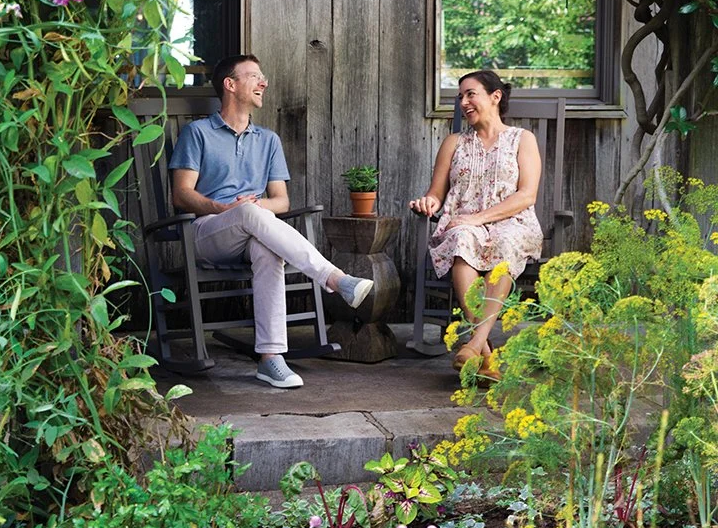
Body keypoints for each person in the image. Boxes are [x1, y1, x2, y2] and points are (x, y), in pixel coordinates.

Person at [169, 54, 373, 389]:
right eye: (254, 76)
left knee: (267, 249)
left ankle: (270, 358)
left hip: (253, 230)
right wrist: (226, 209)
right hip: (206, 232)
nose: (263, 83)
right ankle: (335, 279)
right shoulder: (198, 133)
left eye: (263, 76)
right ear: (230, 85)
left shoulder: (268, 140)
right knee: (250, 214)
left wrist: (254, 207)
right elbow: (181, 194)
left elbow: (281, 201)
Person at [408, 69, 543, 380]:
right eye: (460, 97)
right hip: (464, 224)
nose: (463, 102)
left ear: (495, 97)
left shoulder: (522, 140)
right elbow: (436, 193)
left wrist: (479, 217)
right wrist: (427, 202)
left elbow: (527, 195)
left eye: (471, 94)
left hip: (512, 221)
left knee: (505, 243)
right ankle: (482, 351)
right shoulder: (454, 142)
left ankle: (475, 342)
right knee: (460, 238)